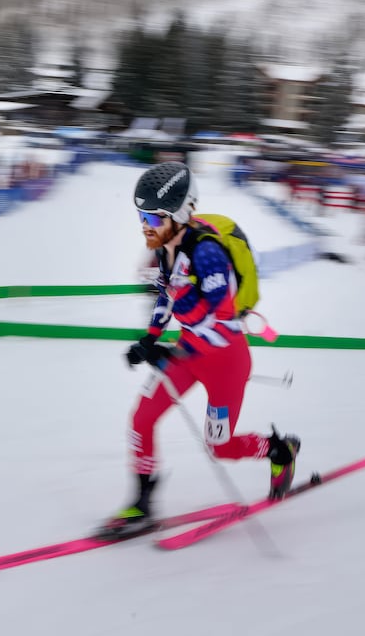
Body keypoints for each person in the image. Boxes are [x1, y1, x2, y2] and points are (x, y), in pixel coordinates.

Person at [100, 161, 299, 539]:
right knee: (141, 420)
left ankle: (279, 450)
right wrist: (150, 338)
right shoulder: (165, 248)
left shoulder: (207, 254)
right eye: (141, 215)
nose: (145, 225)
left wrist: (174, 353)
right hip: (189, 353)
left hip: (225, 360)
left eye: (153, 218)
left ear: (178, 214)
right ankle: (141, 504)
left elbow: (222, 321)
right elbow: (166, 295)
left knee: (219, 447)